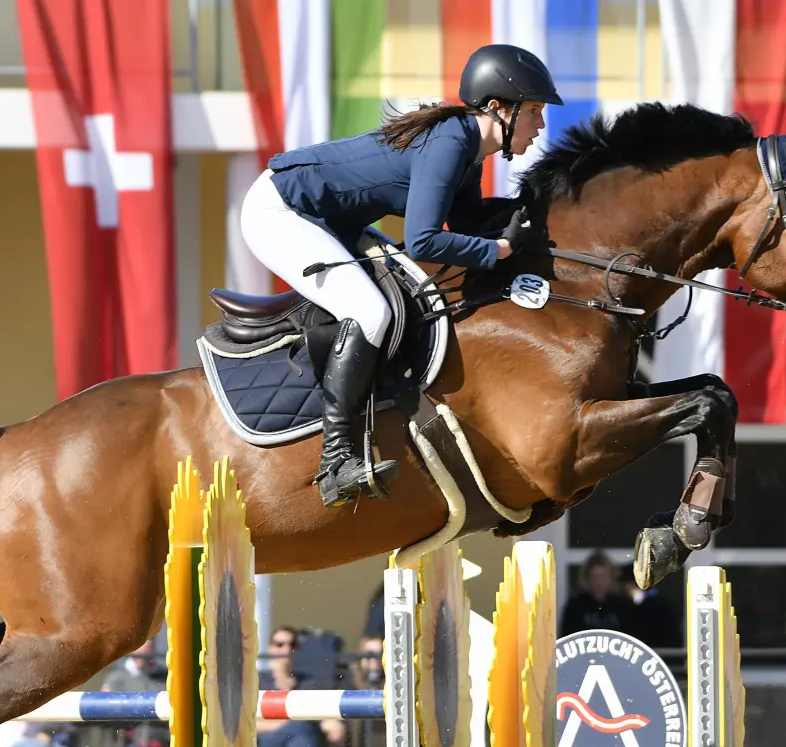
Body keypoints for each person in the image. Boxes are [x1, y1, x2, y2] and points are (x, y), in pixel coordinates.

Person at [240, 44, 561, 508]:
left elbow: (468, 225)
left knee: (403, 293)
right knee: (369, 311)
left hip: (331, 221)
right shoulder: (450, 143)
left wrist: (527, 218)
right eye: (534, 111)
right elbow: (427, 240)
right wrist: (502, 248)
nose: (541, 125)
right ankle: (336, 463)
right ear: (498, 109)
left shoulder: (469, 149)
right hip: (280, 211)